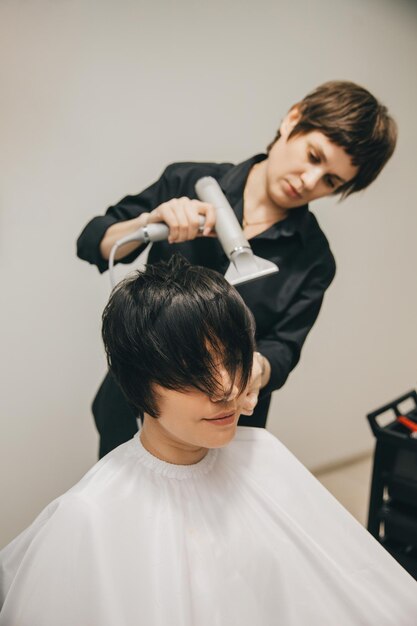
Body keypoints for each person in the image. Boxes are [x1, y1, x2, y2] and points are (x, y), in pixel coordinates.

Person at [1, 257, 416, 626]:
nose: (226, 389)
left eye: (234, 360)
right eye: (191, 371)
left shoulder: (264, 454)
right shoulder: (87, 517)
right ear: (138, 383)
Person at [77, 80, 398, 457]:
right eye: (314, 156)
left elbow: (284, 348)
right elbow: (93, 242)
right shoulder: (187, 180)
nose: (310, 182)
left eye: (331, 181)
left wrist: (256, 370)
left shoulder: (314, 258)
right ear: (292, 120)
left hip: (223, 420)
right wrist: (151, 219)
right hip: (137, 399)